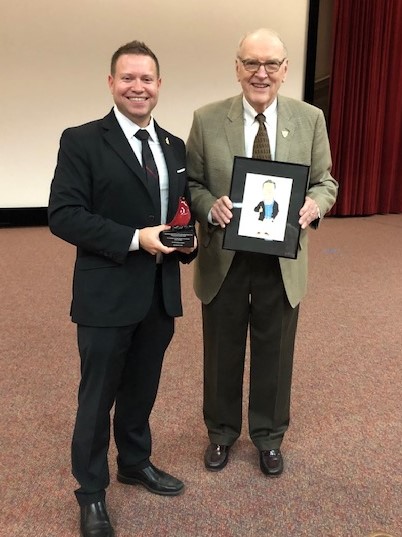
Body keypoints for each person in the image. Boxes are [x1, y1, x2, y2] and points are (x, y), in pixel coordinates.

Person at [48, 40, 197, 537]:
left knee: (141, 388)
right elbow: (64, 215)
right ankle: (90, 492)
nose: (139, 86)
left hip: (159, 293)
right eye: (128, 77)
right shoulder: (82, 140)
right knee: (97, 397)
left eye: (147, 78)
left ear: (159, 86)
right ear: (111, 83)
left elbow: (177, 216)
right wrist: (135, 239)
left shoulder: (174, 147)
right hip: (106, 293)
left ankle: (135, 461)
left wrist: (186, 240)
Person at [186, 28, 338, 476]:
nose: (261, 73)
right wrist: (207, 207)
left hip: (282, 259)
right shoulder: (207, 119)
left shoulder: (310, 118)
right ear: (237, 67)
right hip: (224, 256)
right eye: (251, 63)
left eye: (271, 64)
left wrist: (316, 205)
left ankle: (269, 436)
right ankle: (220, 433)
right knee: (222, 350)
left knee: (275, 351)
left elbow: (326, 182)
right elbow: (191, 183)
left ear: (285, 70)